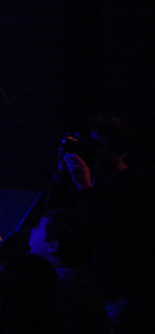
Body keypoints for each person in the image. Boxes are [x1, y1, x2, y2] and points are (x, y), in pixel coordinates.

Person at [49, 116, 155, 334]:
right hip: (89, 289)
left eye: (100, 145)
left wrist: (84, 186)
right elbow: (53, 217)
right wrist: (62, 173)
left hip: (121, 296)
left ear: (121, 152)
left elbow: (103, 228)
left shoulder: (135, 184)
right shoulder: (94, 179)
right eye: (92, 144)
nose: (93, 151)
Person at [28, 209, 112, 334]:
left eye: (38, 228)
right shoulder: (80, 275)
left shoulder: (57, 281)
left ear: (53, 245)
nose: (32, 230)